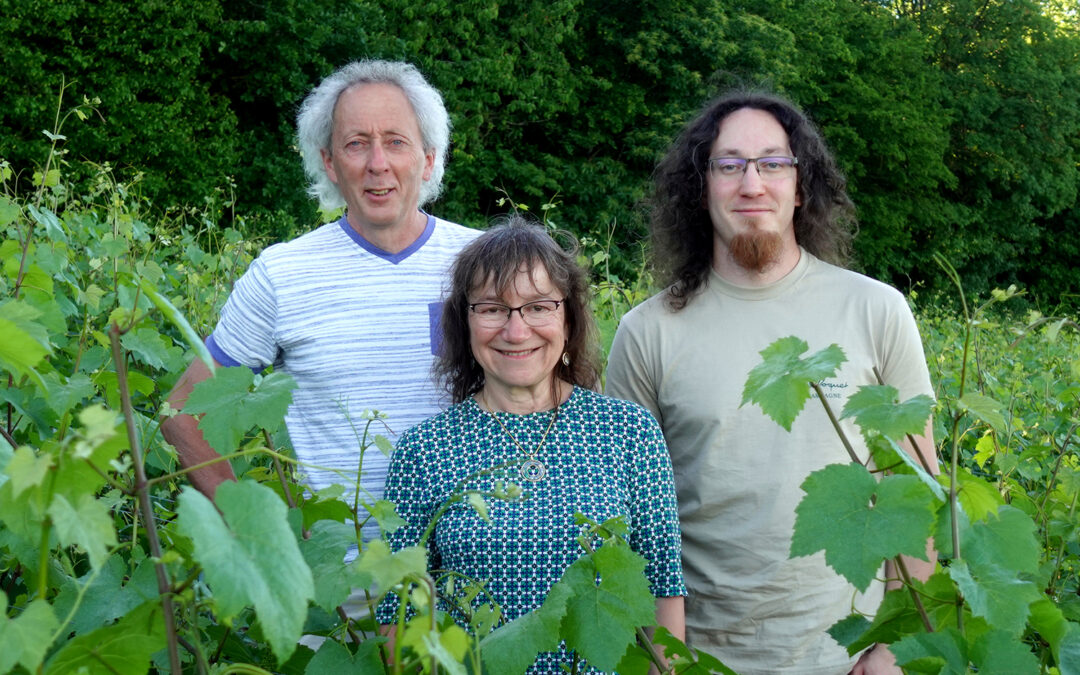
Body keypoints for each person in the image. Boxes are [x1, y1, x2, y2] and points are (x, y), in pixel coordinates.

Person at [605, 91, 938, 675]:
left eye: (772, 163)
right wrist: (662, 658)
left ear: (801, 183)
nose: (751, 184)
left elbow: (915, 493)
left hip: (847, 658)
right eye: (729, 165)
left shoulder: (877, 311)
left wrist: (894, 644)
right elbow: (625, 516)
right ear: (700, 186)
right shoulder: (647, 332)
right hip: (696, 658)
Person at [161, 61, 479, 537]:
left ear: (429, 157)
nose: (377, 163)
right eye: (356, 144)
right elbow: (184, 411)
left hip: (473, 582)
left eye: (396, 141)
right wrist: (255, 532)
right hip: (342, 594)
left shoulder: (484, 265)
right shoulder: (281, 274)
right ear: (329, 162)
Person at [375, 216, 686, 672]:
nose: (516, 331)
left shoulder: (628, 432)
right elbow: (396, 615)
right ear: (465, 322)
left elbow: (661, 585)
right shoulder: (425, 450)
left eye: (539, 306)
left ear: (569, 319)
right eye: (492, 308)